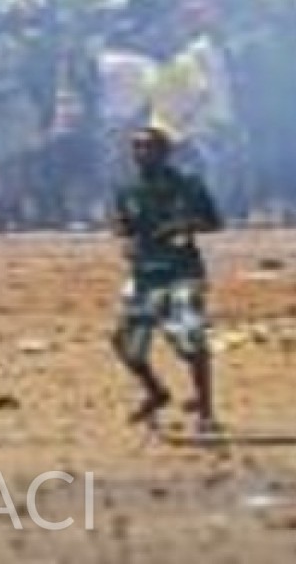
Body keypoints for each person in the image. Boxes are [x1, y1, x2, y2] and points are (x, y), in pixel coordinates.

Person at [110, 125, 223, 433]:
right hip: (145, 274)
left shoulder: (188, 185)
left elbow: (214, 222)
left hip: (182, 271)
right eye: (136, 148)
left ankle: (206, 411)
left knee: (190, 337)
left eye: (148, 148)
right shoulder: (127, 189)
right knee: (125, 344)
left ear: (165, 152)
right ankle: (156, 392)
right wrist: (125, 237)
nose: (141, 154)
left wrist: (182, 225)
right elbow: (124, 226)